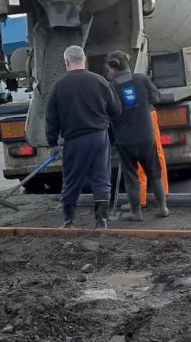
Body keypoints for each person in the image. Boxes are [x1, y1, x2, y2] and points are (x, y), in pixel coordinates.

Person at [45, 45, 121, 229]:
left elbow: (51, 118)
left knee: (72, 179)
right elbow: (116, 110)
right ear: (84, 59)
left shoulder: (59, 86)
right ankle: (101, 220)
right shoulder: (100, 82)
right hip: (98, 137)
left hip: (74, 140)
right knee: (101, 177)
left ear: (66, 62)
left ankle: (68, 221)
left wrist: (52, 143)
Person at [104, 52, 169, 220]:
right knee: (154, 172)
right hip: (147, 135)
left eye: (108, 68)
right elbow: (156, 97)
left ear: (113, 67)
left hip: (125, 139)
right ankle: (163, 208)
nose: (108, 71)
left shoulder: (111, 87)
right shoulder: (141, 79)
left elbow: (107, 113)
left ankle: (136, 212)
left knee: (131, 175)